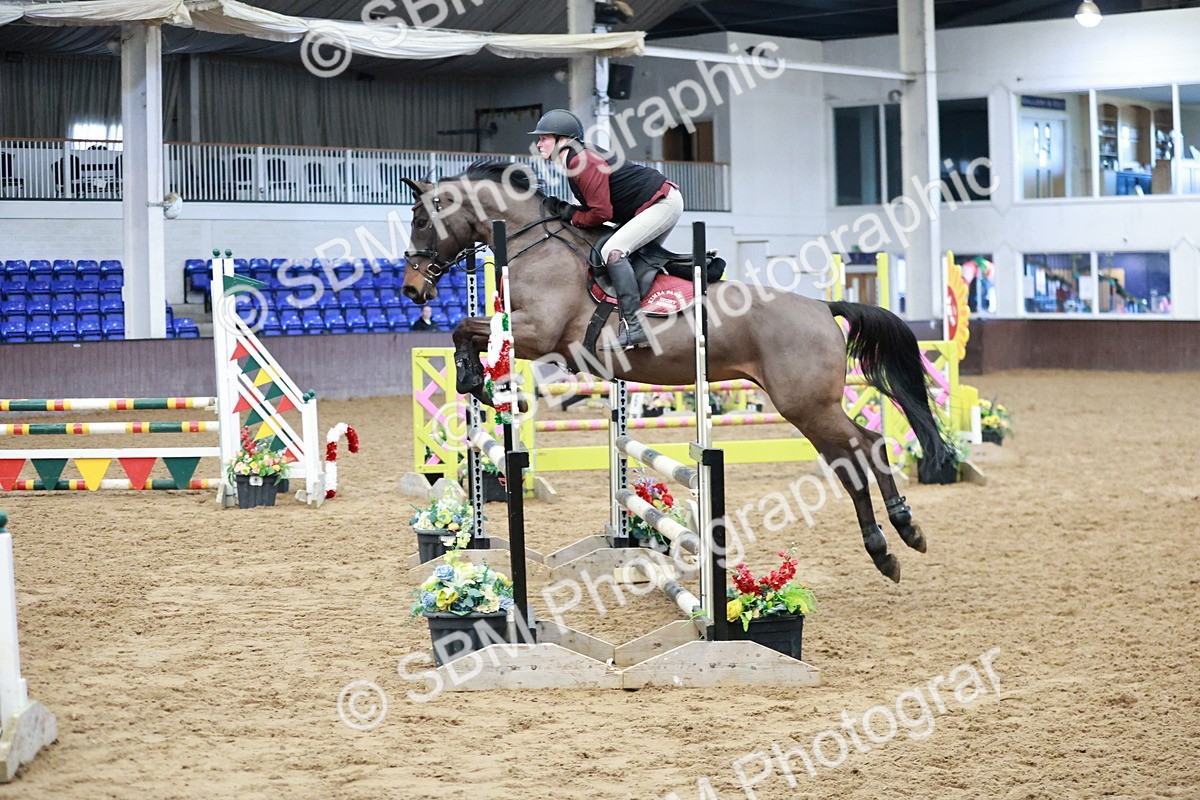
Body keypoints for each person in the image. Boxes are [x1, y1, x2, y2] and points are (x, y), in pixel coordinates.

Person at [530, 109, 683, 350]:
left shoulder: (581, 161)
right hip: (649, 205)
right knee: (625, 257)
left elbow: (601, 214)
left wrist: (570, 213)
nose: (538, 144)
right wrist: (571, 211)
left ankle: (635, 327)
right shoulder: (574, 159)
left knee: (613, 251)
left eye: (544, 138)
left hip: (661, 204)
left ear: (563, 140)